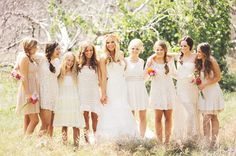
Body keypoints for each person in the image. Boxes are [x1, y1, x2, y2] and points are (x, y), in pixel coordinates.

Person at [96, 34, 138, 141]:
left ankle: (125, 135)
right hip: (111, 86)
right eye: (108, 43)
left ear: (116, 43)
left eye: (112, 42)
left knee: (123, 107)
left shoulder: (121, 54)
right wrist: (103, 93)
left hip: (122, 86)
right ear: (105, 45)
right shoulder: (103, 58)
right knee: (111, 108)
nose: (110, 44)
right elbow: (103, 77)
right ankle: (111, 137)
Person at [145, 40, 176, 144]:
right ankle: (159, 141)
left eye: (161, 50)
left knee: (168, 117)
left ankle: (167, 141)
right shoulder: (151, 61)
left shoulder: (169, 60)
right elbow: (145, 77)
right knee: (157, 118)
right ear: (154, 50)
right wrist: (148, 68)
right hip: (157, 91)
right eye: (157, 50)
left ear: (165, 50)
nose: (159, 52)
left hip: (168, 90)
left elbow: (175, 74)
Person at [195, 42, 224, 146]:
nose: (197, 53)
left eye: (199, 51)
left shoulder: (212, 61)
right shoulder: (199, 61)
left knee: (212, 117)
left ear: (204, 52)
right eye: (197, 51)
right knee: (205, 117)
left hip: (212, 91)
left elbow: (218, 77)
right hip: (203, 93)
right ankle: (206, 142)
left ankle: (213, 142)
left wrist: (205, 84)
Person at [53, 52, 85, 147]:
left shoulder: (76, 73)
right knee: (64, 123)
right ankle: (65, 144)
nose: (70, 62)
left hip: (74, 99)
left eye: (72, 61)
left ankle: (76, 145)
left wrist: (81, 102)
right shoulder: (59, 72)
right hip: (63, 100)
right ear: (64, 60)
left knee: (76, 124)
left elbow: (79, 88)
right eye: (68, 60)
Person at [77, 41, 102, 143]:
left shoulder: (97, 63)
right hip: (83, 93)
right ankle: (87, 140)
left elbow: (101, 79)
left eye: (91, 50)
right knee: (85, 116)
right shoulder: (78, 64)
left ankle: (96, 138)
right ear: (82, 52)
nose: (89, 52)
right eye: (86, 50)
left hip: (94, 92)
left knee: (95, 116)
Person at [36, 42, 61, 137]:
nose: (59, 51)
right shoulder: (41, 58)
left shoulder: (58, 61)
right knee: (45, 123)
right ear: (51, 49)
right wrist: (16, 68)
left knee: (51, 124)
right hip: (44, 94)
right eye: (57, 49)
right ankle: (38, 145)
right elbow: (25, 54)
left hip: (54, 94)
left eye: (59, 49)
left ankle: (49, 144)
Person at [125, 38, 148, 138]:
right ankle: (132, 136)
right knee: (130, 115)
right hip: (129, 89)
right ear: (129, 49)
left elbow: (143, 77)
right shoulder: (125, 61)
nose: (134, 51)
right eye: (133, 48)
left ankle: (142, 137)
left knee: (143, 114)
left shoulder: (142, 61)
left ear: (140, 50)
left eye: (137, 49)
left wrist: (150, 74)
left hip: (140, 89)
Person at [15, 37, 40, 135]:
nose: (36, 48)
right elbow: (23, 77)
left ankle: (24, 141)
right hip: (28, 89)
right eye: (35, 46)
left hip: (33, 88)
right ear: (29, 47)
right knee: (35, 120)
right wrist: (28, 94)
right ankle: (27, 139)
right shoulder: (24, 58)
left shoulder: (29, 57)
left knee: (27, 117)